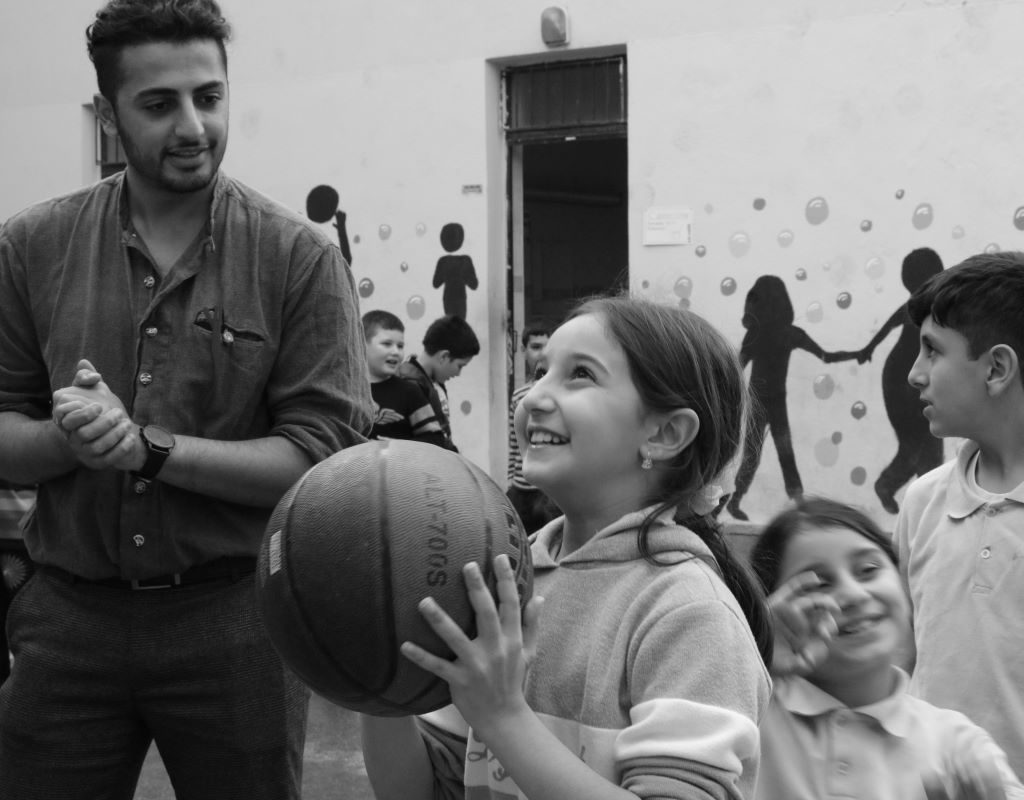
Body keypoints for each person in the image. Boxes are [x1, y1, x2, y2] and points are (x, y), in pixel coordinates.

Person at [0, 1, 372, 797]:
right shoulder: (31, 245)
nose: (194, 125)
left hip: (237, 621)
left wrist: (147, 449)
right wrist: (76, 439)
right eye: (159, 103)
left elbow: (321, 457)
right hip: (67, 619)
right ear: (108, 115)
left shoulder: (298, 258)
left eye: (209, 96)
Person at [362, 294, 773, 800]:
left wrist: (503, 718)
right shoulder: (502, 575)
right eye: (540, 371)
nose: (532, 397)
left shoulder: (687, 612)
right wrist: (374, 681)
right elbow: (424, 789)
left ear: (666, 433)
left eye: (580, 374)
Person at [750, 496, 1023, 800]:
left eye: (868, 569)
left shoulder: (957, 747)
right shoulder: (748, 715)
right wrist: (755, 654)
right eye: (818, 585)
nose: (853, 594)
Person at [894, 250, 1024, 779]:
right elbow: (902, 655)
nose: (914, 375)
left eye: (932, 351)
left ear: (995, 368)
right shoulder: (922, 501)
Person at [726, 275, 859, 521]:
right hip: (774, 402)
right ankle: (795, 503)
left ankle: (735, 501)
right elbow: (826, 356)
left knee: (753, 454)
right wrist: (858, 353)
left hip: (761, 401)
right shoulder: (791, 334)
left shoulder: (755, 334)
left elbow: (737, 368)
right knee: (783, 452)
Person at [855, 247, 945, 514]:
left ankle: (904, 493)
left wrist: (868, 349)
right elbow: (888, 327)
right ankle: (895, 489)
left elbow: (886, 328)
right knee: (920, 443)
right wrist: (867, 349)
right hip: (902, 383)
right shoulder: (920, 308)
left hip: (908, 380)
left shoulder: (929, 307)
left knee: (925, 443)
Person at [363, 309, 447, 447]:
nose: (396, 352)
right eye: (387, 344)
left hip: (399, 468)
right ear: (362, 345)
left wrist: (400, 447)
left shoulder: (410, 392)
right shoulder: (347, 391)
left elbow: (436, 439)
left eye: (400, 346)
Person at [398, 314, 480, 452]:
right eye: (460, 366)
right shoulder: (409, 384)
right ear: (444, 356)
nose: (458, 374)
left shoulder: (434, 382)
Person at [506, 320, 559, 532]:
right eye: (535, 347)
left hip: (549, 491)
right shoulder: (519, 396)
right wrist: (510, 480)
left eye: (547, 347)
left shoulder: (560, 395)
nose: (541, 353)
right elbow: (513, 441)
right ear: (524, 350)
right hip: (520, 489)